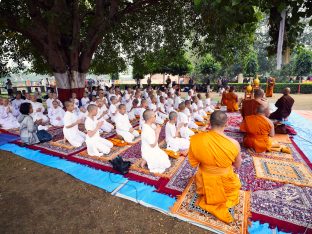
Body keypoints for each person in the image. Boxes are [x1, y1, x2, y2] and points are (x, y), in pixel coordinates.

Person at [188, 111, 241, 224]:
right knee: (235, 178)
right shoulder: (234, 143)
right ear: (226, 124)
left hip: (205, 181)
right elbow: (237, 165)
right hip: (225, 182)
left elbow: (194, 162)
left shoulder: (197, 139)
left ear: (209, 122)